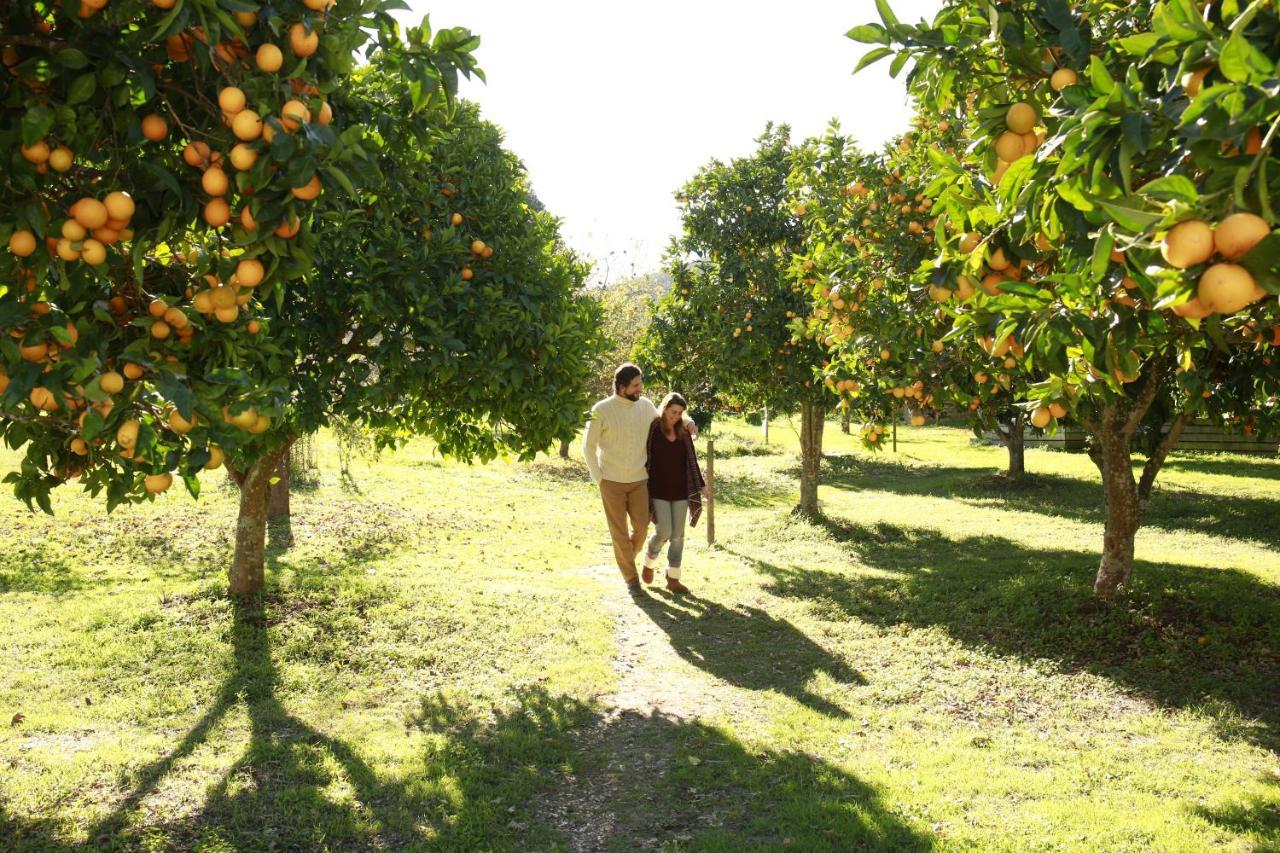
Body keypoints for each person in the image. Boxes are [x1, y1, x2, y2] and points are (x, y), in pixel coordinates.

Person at [583, 363, 695, 592]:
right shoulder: (601, 409)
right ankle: (632, 580)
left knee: (642, 528)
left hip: (639, 480)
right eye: (635, 386)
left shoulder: (645, 406)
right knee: (619, 533)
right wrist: (599, 478)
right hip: (611, 481)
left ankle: (625, 560)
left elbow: (668, 417)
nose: (640, 389)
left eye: (640, 384)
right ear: (621, 387)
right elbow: (588, 447)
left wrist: (688, 420)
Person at [642, 392, 707, 594]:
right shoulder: (654, 428)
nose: (675, 416)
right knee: (664, 531)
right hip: (658, 490)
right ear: (665, 408)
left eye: (679, 413)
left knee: (678, 536)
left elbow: (691, 460)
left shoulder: (683, 432)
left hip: (680, 490)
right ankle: (648, 562)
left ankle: (673, 578)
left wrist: (702, 486)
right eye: (673, 412)